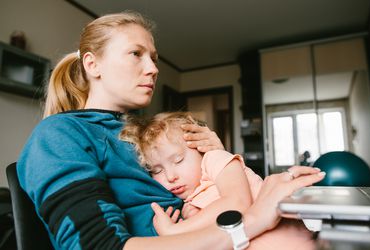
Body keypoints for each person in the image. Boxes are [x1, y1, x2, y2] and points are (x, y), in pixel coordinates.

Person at [17, 11, 325, 249]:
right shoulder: (60, 135)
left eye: (153, 58)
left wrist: (215, 159)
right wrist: (253, 221)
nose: (153, 68)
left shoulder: (147, 133)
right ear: (92, 64)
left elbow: (205, 192)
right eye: (136, 54)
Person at [120, 112, 320, 249]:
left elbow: (236, 204)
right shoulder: (190, 203)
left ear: (199, 148)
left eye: (179, 160)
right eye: (157, 170)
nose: (171, 176)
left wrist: (174, 231)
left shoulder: (216, 159)